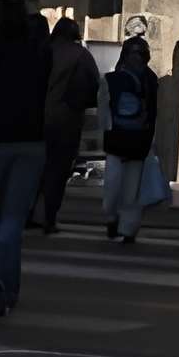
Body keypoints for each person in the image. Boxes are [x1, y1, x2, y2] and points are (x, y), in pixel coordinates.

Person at [0, 7, 53, 316]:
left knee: (6, 212)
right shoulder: (39, 56)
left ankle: (9, 288)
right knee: (14, 214)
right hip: (30, 139)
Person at [38, 17, 101, 235]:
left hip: (37, 119)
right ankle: (49, 217)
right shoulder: (81, 55)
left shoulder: (43, 51)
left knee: (36, 169)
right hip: (67, 119)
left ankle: (28, 213)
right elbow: (94, 85)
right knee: (58, 170)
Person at [102, 34, 161, 246]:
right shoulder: (148, 80)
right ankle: (122, 225)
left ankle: (122, 225)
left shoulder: (116, 79)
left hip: (125, 140)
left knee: (123, 189)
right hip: (130, 141)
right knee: (125, 190)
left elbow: (104, 112)